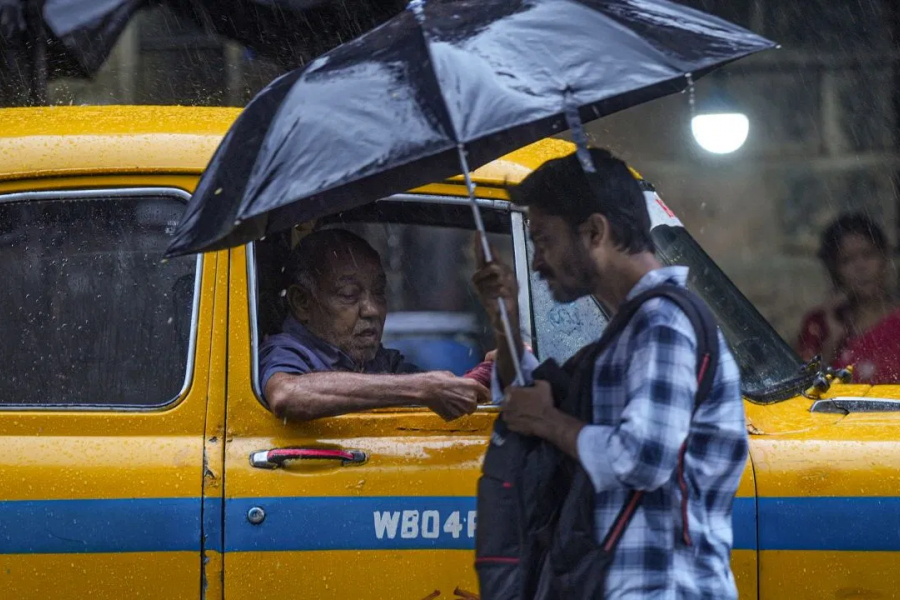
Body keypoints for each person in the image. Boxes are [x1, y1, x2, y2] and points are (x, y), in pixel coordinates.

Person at [471, 149, 747, 598]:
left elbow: (642, 457)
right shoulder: (630, 332)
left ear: (595, 232)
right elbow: (532, 401)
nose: (538, 263)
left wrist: (548, 421)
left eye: (543, 240)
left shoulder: (664, 324)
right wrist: (504, 317)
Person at [259, 229, 490, 421]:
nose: (372, 310)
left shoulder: (379, 361)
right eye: (349, 294)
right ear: (302, 302)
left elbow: (442, 393)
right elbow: (287, 394)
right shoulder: (285, 351)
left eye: (379, 292)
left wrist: (490, 370)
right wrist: (420, 388)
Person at [796, 213, 900, 383]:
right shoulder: (818, 325)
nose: (861, 267)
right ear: (834, 270)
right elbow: (800, 392)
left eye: (868, 255)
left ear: (885, 258)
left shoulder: (896, 321)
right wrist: (833, 340)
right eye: (847, 260)